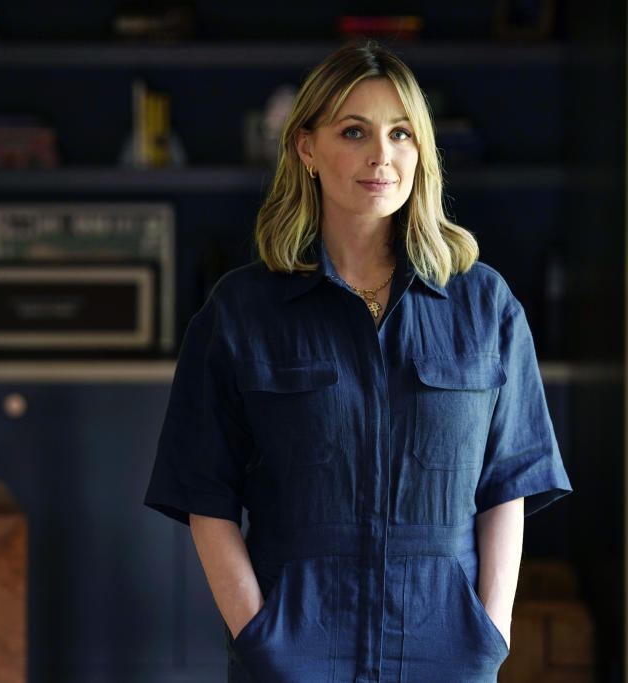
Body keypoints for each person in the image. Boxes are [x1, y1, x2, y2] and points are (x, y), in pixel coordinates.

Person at [144, 41, 572, 682]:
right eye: (354, 131)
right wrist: (260, 635)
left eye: (401, 133)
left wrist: (491, 632)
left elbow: (507, 483)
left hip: (446, 650)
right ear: (306, 149)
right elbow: (204, 493)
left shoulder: (485, 304)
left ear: (421, 150)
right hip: (294, 649)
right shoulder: (242, 311)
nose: (382, 155)